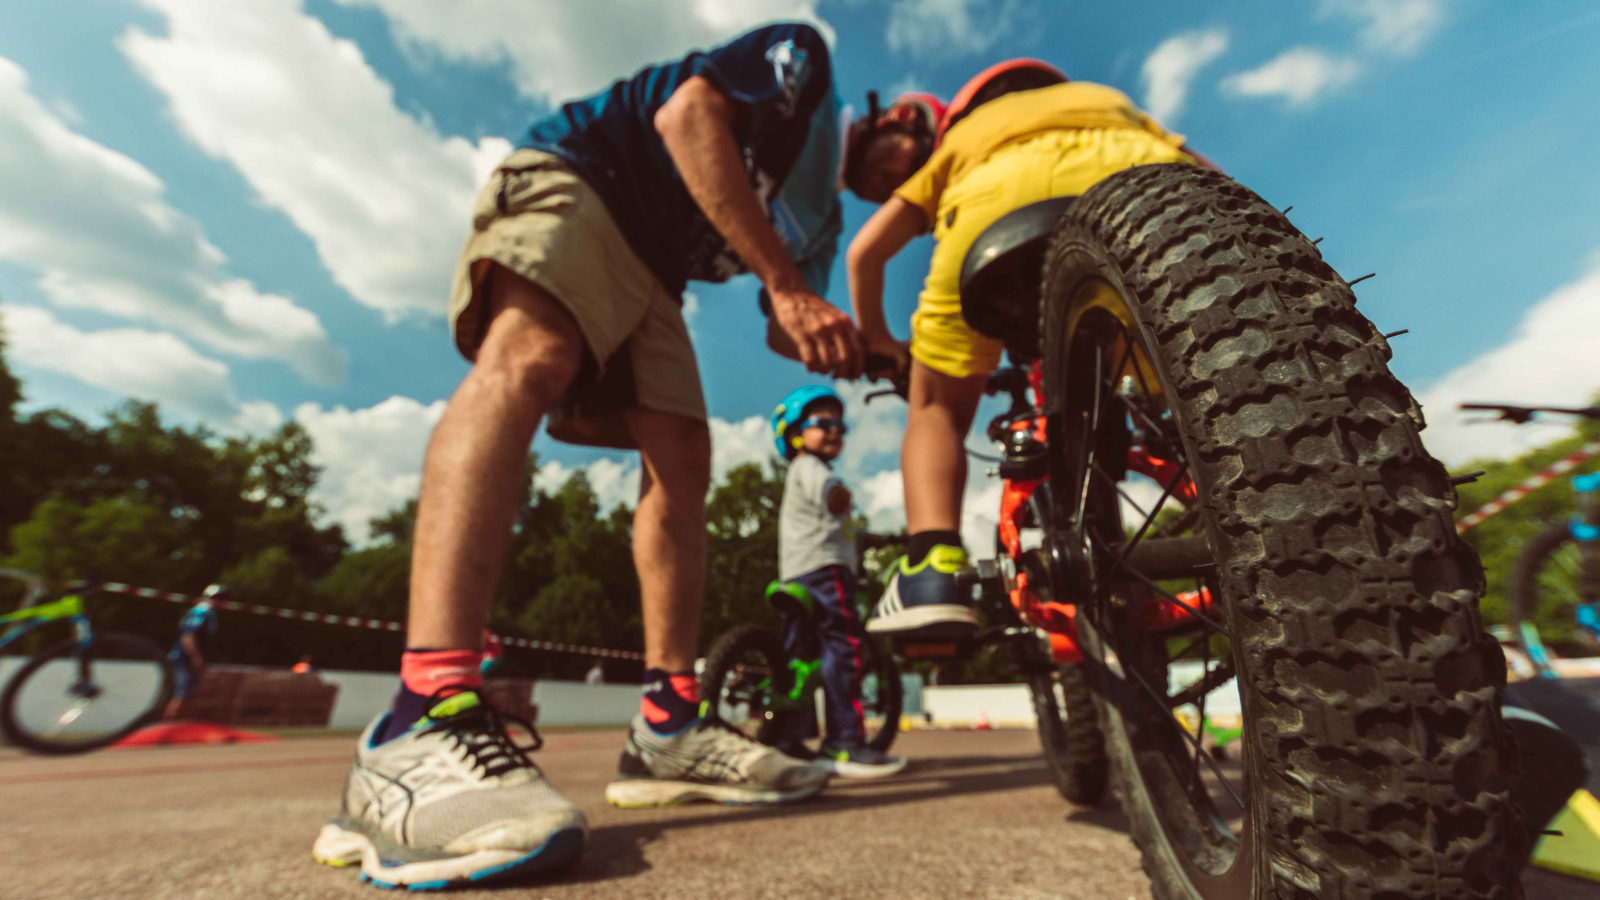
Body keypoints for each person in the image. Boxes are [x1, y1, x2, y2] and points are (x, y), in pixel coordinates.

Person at [311, 22, 938, 889]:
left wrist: (880, 356)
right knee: (530, 356)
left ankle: (668, 727)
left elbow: (782, 327)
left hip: (654, 273)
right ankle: (420, 716)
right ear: (898, 116)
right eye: (919, 150)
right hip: (583, 176)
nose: (904, 178)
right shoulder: (807, 69)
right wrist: (792, 291)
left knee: (684, 457)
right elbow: (688, 117)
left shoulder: (822, 222)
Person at [846, 60, 1216, 638]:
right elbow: (1219, 180)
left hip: (997, 204)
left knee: (937, 409)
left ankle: (932, 569)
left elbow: (863, 255)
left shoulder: (964, 138)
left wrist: (879, 344)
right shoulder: (1104, 95)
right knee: (1181, 363)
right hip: (1145, 178)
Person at [770, 386, 906, 778]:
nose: (834, 432)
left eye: (840, 426)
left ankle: (788, 738)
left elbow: (846, 531)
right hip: (825, 572)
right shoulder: (812, 468)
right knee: (844, 648)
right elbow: (831, 497)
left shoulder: (801, 472)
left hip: (796, 573)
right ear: (795, 435)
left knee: (800, 658)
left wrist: (881, 538)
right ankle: (845, 741)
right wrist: (841, 494)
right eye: (823, 424)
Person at [165, 586, 222, 719]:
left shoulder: (206, 613)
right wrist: (195, 657)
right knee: (181, 693)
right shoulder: (202, 613)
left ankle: (177, 725)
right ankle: (166, 727)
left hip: (187, 657)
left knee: (189, 693)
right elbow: (188, 636)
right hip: (183, 658)